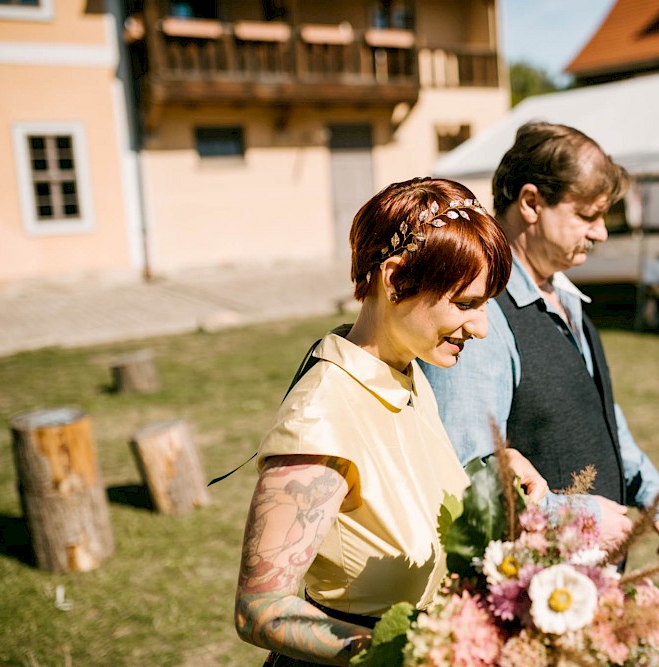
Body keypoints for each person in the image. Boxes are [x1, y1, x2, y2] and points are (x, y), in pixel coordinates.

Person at [234, 177, 548, 666]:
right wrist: (415, 654)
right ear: (396, 277)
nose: (482, 327)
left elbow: (397, 501)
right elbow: (260, 610)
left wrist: (494, 476)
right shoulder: (321, 418)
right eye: (466, 304)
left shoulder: (407, 371)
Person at [421, 121, 659, 558]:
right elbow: (467, 472)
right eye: (587, 215)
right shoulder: (479, 313)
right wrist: (578, 517)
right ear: (531, 203)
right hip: (524, 592)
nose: (601, 232)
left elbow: (598, 410)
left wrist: (652, 493)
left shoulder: (562, 291)